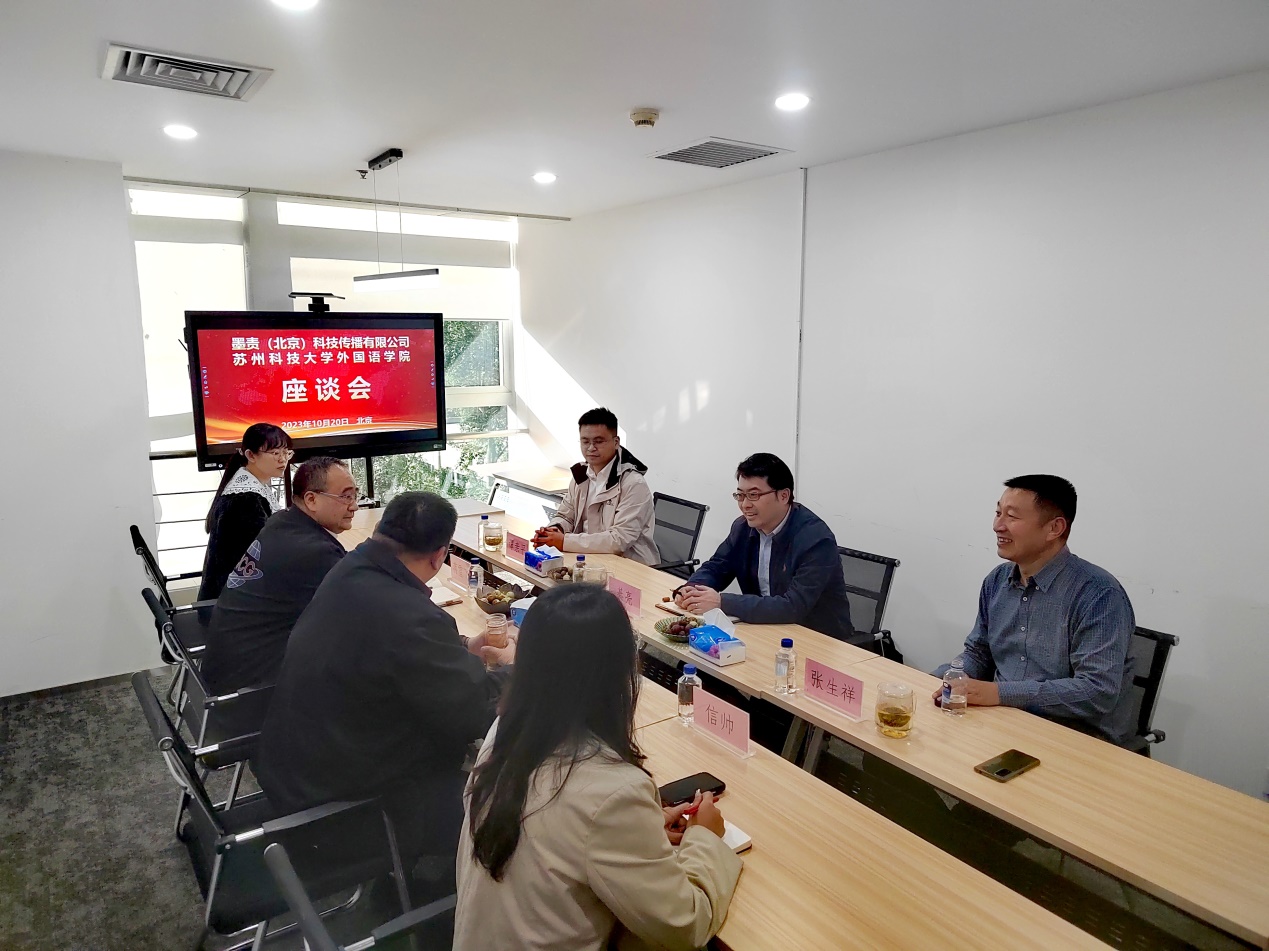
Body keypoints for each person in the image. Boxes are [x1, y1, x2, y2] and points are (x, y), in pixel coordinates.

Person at [455, 584, 741, 951]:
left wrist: (641, 828)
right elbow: (685, 926)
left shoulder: (506, 729)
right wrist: (704, 836)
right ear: (621, 674)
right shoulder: (612, 790)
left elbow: (566, 829)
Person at [254, 491, 515, 872]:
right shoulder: (411, 616)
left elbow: (390, 647)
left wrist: (462, 647)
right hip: (352, 808)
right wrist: (516, 669)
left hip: (296, 772)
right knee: (515, 802)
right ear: (440, 556)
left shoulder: (348, 570)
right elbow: (474, 714)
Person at [932, 475, 1137, 745]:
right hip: (1002, 721)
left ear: (1054, 528)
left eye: (1012, 517)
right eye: (998, 513)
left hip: (1075, 737)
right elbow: (979, 652)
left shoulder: (1098, 594)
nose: (997, 526)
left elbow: (1097, 691)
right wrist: (950, 678)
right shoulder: (997, 580)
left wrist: (999, 693)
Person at [199, 457, 359, 697]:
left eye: (355, 495)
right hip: (250, 694)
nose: (354, 506)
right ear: (311, 500)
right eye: (346, 497)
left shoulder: (282, 522)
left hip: (224, 673)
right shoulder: (314, 551)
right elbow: (360, 612)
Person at [675, 453, 854, 642]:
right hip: (765, 630)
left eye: (753, 495)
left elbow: (793, 606)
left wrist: (722, 602)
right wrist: (692, 589)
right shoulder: (742, 528)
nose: (745, 505)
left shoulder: (816, 539)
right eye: (740, 495)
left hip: (818, 640)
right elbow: (717, 567)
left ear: (783, 496)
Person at [532, 407, 659, 565]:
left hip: (629, 564)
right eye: (585, 441)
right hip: (589, 558)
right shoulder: (580, 475)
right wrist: (552, 531)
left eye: (598, 441)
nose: (591, 448)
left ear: (616, 442)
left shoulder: (633, 484)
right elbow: (565, 516)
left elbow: (619, 539)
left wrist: (564, 541)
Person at [197, 423, 293, 600]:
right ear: (250, 455)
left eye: (286, 452)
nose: (283, 460)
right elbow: (264, 554)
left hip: (235, 594)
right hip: (233, 602)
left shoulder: (250, 488)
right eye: (275, 453)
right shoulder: (245, 500)